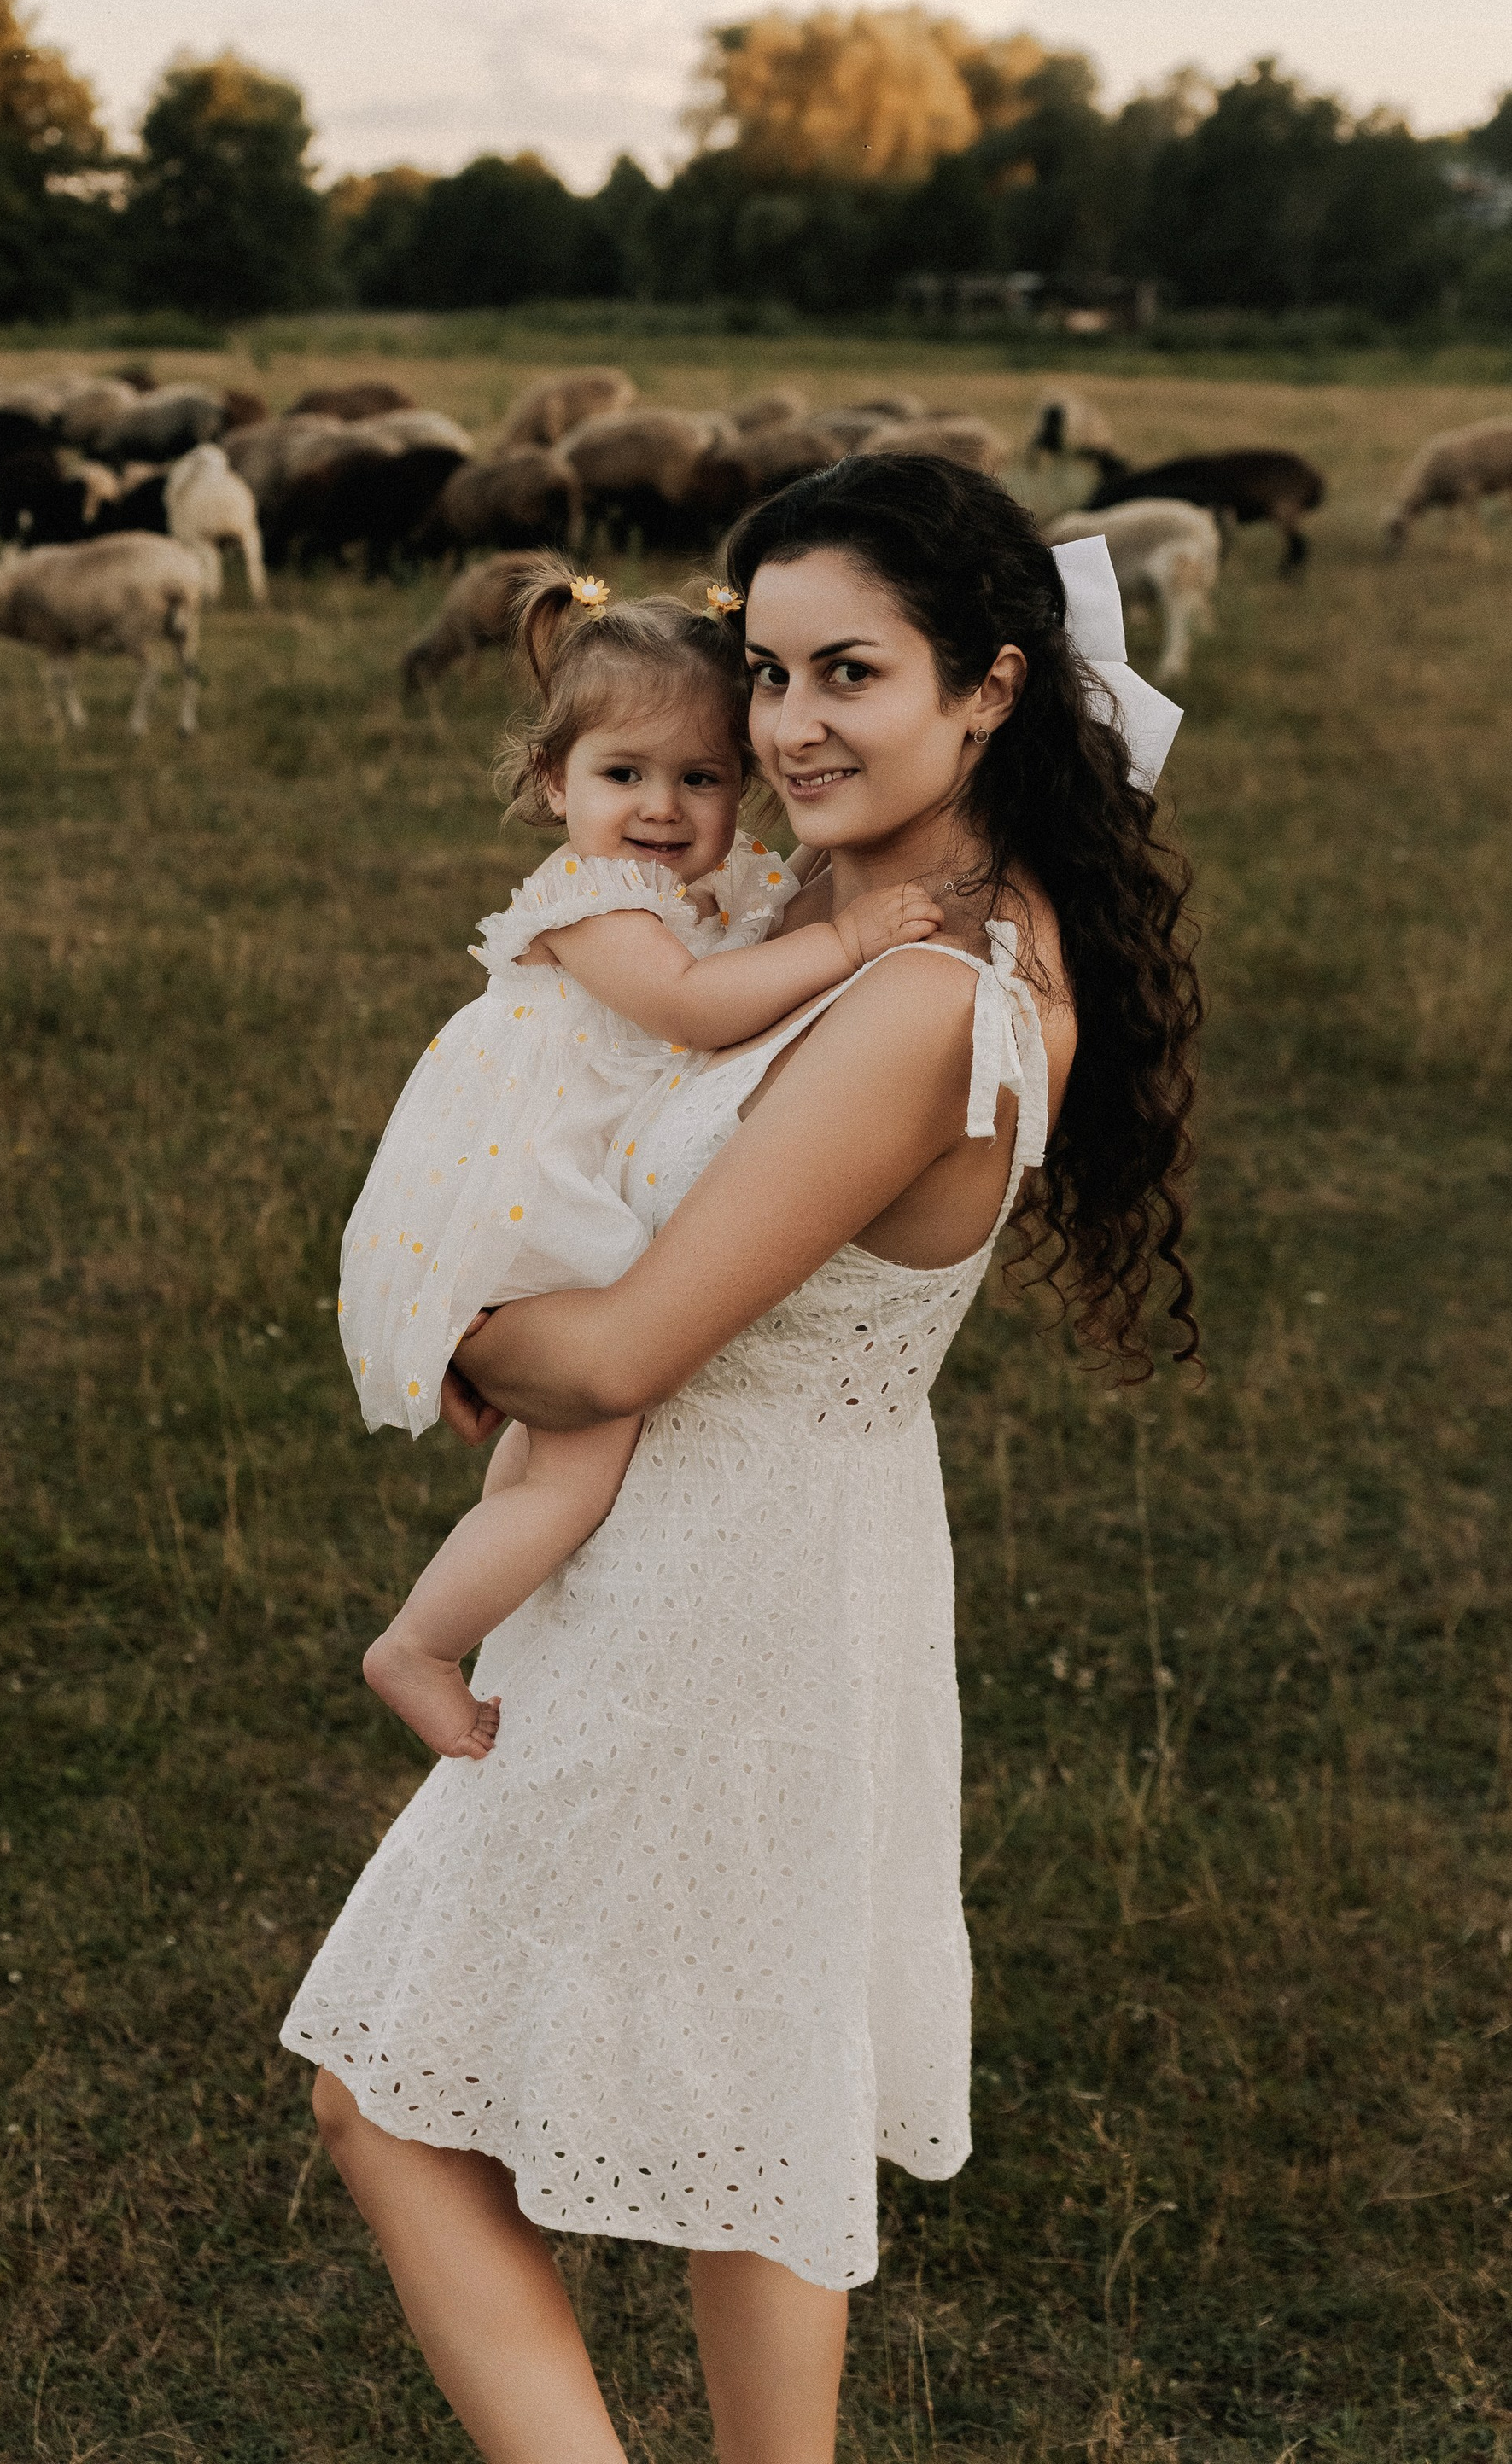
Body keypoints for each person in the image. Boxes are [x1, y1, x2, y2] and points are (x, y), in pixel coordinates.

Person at [285, 456, 1200, 2464]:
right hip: (761, 1554)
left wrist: (446, 1315)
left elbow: (617, 1347)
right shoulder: (854, 902)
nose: (782, 729)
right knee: (746, 2109)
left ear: (986, 688)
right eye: (767, 670)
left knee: (387, 2094)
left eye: (845, 673)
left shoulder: (918, 990)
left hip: (720, 1585)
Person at [343, 556, 943, 1762]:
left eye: (701, 778)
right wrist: (855, 939)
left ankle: (489, 1603)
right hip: (536, 1195)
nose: (661, 808)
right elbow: (692, 1009)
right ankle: (417, 1645)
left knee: (538, 1458)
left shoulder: (702, 889)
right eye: (624, 775)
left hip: (565, 1185)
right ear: (552, 781)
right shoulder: (595, 900)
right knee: (581, 1467)